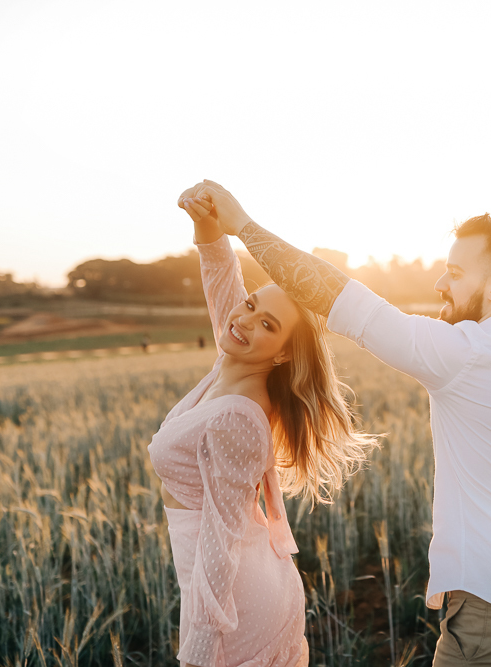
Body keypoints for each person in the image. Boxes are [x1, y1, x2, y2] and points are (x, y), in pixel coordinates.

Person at [182, 180, 491, 666]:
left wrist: (241, 225)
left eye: (455, 273)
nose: (441, 284)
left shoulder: (466, 353)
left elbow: (339, 299)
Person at [148, 194, 376, 667]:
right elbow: (221, 284)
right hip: (227, 585)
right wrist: (208, 227)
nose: (245, 319)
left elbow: (221, 539)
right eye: (250, 305)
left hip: (238, 608)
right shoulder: (230, 363)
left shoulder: (237, 416)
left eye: (267, 324)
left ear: (282, 354)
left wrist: (201, 649)